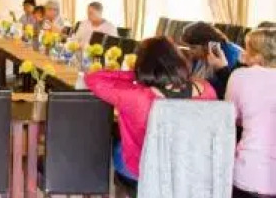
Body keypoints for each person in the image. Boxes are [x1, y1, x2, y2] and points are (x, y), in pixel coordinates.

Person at [85, 36, 217, 182]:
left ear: (143, 65)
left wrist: (138, 74)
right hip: (191, 171)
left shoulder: (137, 97)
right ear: (179, 61)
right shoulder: (207, 90)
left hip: (146, 170)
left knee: (114, 146)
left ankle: (127, 192)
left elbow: (93, 78)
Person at [209, 28, 276, 198]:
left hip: (250, 174)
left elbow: (230, 118)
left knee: (235, 162)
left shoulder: (240, 76)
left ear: (255, 54)